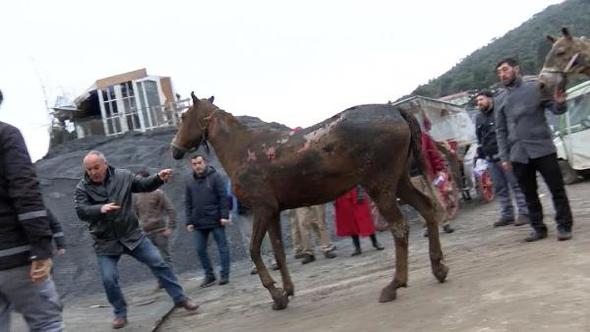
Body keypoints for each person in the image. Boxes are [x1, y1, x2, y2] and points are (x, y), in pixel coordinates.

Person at [74, 151, 198, 329]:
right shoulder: (82, 188)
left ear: (105, 164)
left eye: (96, 167)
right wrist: (100, 208)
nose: (93, 172)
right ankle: (120, 313)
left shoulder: (123, 176)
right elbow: (81, 210)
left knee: (159, 262)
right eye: (89, 169)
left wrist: (158, 178)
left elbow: (143, 185)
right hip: (105, 242)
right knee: (109, 279)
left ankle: (181, 299)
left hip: (132, 235)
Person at [0, 89, 64, 331]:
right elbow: (25, 192)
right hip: (17, 256)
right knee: (46, 323)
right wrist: (41, 248)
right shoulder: (6, 134)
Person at [494, 57, 572, 242]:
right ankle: (538, 228)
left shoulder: (536, 87)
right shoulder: (499, 99)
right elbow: (501, 130)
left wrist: (560, 102)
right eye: (499, 72)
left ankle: (564, 226)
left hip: (542, 148)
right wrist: (504, 157)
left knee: (557, 189)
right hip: (518, 154)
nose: (502, 74)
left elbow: (556, 109)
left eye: (505, 70)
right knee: (529, 193)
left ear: (516, 69)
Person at [475, 90, 529, 227]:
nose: (479, 103)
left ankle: (524, 212)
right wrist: (481, 151)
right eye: (477, 101)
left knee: (515, 184)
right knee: (500, 188)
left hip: (505, 155)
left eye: (481, 100)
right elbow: (479, 136)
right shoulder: (479, 118)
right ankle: (507, 215)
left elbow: (507, 132)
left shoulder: (500, 112)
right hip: (490, 157)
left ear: (490, 99)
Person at [185, 154, 231, 287]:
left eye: (199, 163)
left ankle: (224, 275)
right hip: (198, 222)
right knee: (199, 249)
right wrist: (189, 221)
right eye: (194, 164)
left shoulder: (216, 177)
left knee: (222, 248)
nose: (197, 166)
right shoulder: (189, 181)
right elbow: (188, 202)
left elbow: (223, 197)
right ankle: (209, 275)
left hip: (216, 220)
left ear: (205, 162)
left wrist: (224, 215)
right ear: (191, 165)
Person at [133, 170, 177, 290]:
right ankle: (161, 281)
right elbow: (134, 215)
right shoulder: (136, 197)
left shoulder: (158, 193)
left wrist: (170, 227)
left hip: (160, 231)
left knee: (165, 257)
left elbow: (171, 210)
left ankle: (171, 281)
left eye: (139, 180)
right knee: (151, 259)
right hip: (145, 233)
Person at [412, 114, 454, 236]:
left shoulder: (424, 137)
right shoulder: (401, 142)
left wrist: (439, 169)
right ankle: (427, 227)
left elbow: (433, 154)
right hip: (412, 176)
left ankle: (445, 223)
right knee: (420, 203)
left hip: (427, 173)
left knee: (435, 198)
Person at [334, 186, 384, 256]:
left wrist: (361, 192)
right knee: (351, 223)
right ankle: (357, 247)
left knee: (366, 221)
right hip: (343, 196)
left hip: (356, 192)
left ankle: (375, 242)